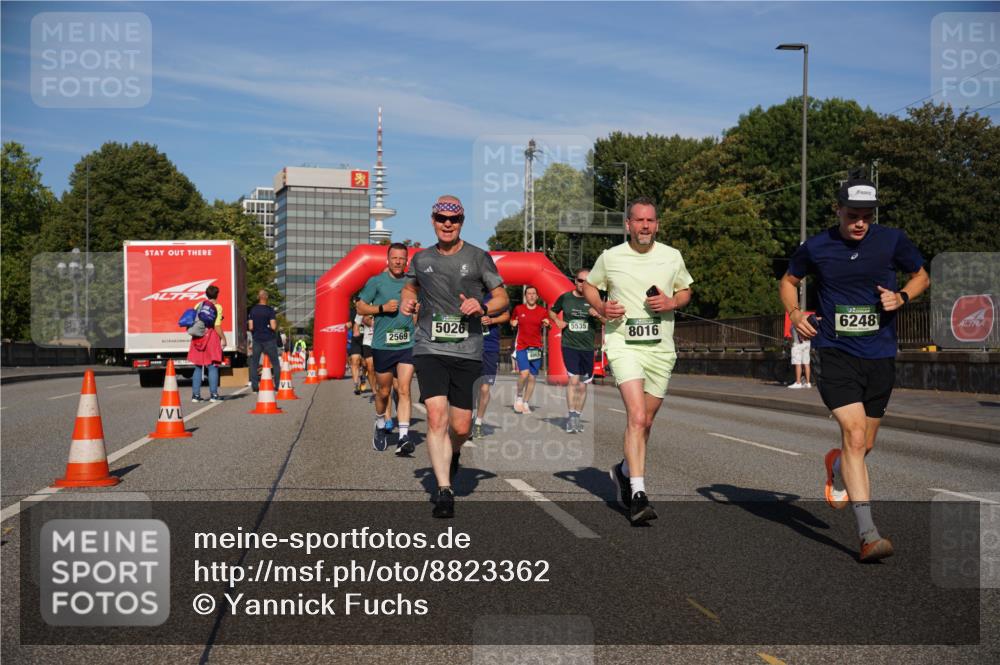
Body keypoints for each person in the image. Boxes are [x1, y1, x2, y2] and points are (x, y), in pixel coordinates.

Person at [780, 177, 929, 562]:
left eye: (867, 216)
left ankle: (837, 465)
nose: (860, 223)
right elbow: (788, 280)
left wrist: (903, 296)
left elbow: (921, 274)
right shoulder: (816, 246)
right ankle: (868, 535)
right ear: (838, 211)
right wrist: (796, 313)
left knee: (864, 446)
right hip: (834, 353)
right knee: (855, 433)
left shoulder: (892, 240)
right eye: (852, 215)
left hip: (879, 355)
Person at [582, 197, 693, 524]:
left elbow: (686, 290)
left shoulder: (672, 256)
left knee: (646, 422)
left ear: (657, 224)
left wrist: (672, 301)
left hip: (660, 348)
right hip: (623, 344)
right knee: (636, 415)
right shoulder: (611, 257)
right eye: (638, 221)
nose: (645, 226)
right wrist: (602, 307)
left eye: (650, 221)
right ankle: (639, 494)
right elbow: (590, 286)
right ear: (628, 225)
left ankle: (624, 470)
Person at [401, 195, 507, 518]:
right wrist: (407, 301)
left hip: (468, 349)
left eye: (455, 219)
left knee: (460, 427)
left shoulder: (478, 258)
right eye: (441, 218)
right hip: (430, 347)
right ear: (432, 221)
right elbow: (410, 287)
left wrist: (483, 306)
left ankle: (455, 452)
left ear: (461, 222)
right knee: (436, 416)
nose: (448, 224)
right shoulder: (420, 259)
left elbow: (502, 297)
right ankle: (444, 489)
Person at [356, 243, 417, 456]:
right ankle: (380, 424)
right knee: (383, 392)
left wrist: (418, 310)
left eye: (402, 258)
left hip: (407, 344)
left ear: (406, 260)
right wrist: (381, 308)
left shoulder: (413, 283)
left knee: (404, 389)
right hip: (382, 344)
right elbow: (360, 307)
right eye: (395, 258)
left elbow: (421, 307)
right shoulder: (376, 282)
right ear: (388, 260)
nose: (398, 262)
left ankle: (403, 437)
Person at [550, 269, 605, 433]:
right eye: (581, 281)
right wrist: (557, 321)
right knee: (573, 381)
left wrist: (597, 315)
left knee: (583, 385)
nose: (583, 284)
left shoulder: (595, 299)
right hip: (570, 345)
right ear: (575, 281)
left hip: (587, 347)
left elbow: (606, 321)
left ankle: (577, 415)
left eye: (587, 281)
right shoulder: (566, 298)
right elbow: (552, 311)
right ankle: (571, 417)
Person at [472, 293, 511, 439]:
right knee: (470, 386)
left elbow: (506, 315)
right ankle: (467, 417)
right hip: (470, 346)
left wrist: (492, 319)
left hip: (490, 347)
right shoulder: (469, 289)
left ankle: (478, 422)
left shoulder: (495, 294)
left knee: (484, 388)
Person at [510, 286, 550, 414]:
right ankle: (519, 396)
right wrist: (513, 323)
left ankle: (526, 402)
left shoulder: (543, 311)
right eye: (529, 293)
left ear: (537, 297)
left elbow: (548, 324)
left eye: (534, 294)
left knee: (532, 377)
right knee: (524, 373)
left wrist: (547, 324)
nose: (531, 296)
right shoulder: (518, 309)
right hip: (522, 346)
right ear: (525, 296)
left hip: (536, 348)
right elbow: (512, 320)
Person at [187, 284, 227, 403]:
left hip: (198, 337)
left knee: (198, 366)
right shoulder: (217, 307)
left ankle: (195, 395)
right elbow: (217, 325)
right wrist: (224, 338)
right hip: (211, 337)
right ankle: (214, 395)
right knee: (213, 366)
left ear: (206, 294)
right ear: (217, 295)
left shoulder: (198, 305)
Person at [248, 289, 281, 393]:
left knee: (255, 363)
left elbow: (251, 327)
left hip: (257, 339)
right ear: (266, 298)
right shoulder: (270, 310)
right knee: (275, 363)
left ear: (259, 297)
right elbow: (273, 326)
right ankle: (277, 385)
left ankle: (255, 386)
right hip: (269, 339)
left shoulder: (253, 310)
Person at [788, 314, 813, 389]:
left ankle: (798, 382)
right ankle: (808, 383)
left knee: (798, 363)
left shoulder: (795, 323)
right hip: (807, 344)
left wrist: (791, 342)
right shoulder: (805, 323)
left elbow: (794, 337)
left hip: (798, 345)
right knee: (806, 363)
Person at [348, 312, 367, 394]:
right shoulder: (352, 311)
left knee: (366, 364)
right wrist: (348, 324)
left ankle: (363, 376)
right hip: (356, 340)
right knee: (355, 360)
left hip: (368, 339)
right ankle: (356, 384)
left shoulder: (371, 307)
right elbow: (349, 324)